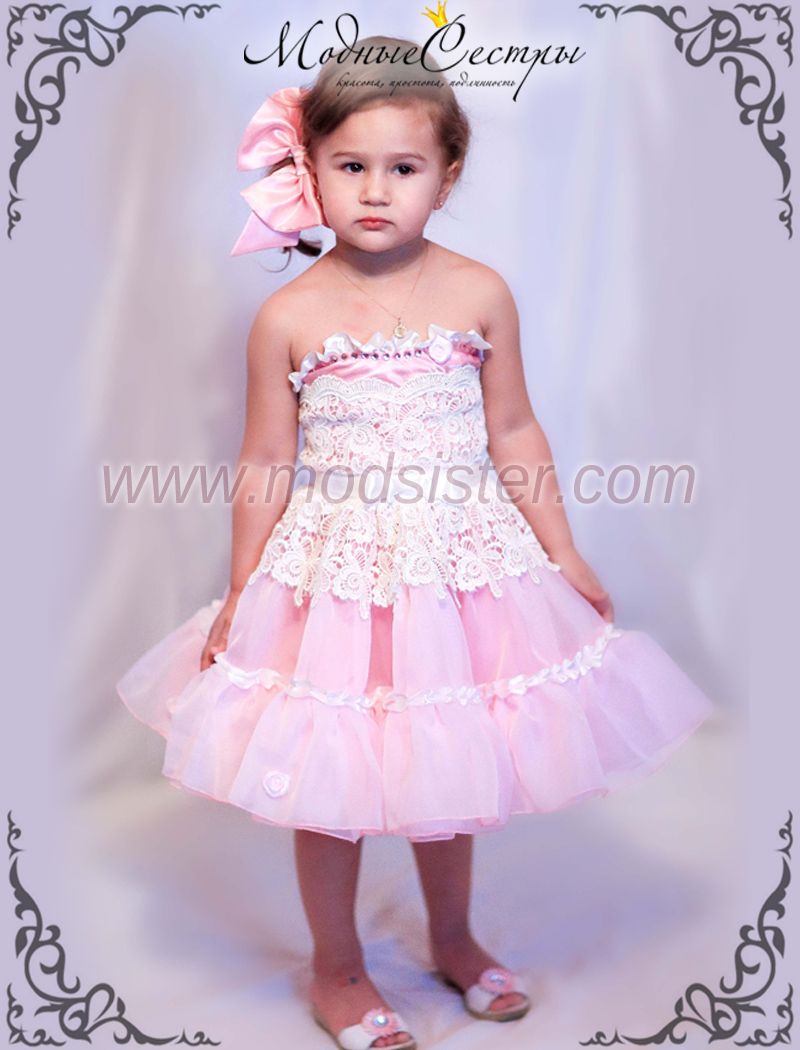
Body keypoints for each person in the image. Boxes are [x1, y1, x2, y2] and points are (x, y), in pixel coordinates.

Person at [116, 34, 716, 1050]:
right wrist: (242, 592)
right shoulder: (289, 315)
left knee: (450, 754)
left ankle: (453, 938)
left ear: (448, 172)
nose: (375, 190)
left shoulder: (477, 292)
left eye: (403, 167)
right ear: (309, 168)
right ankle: (338, 966)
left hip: (458, 569)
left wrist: (563, 552)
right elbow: (264, 462)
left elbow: (513, 430)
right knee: (331, 771)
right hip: (337, 578)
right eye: (350, 165)